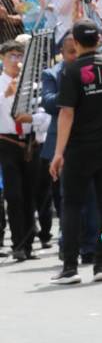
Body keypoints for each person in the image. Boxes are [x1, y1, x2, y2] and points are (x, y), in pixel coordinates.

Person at [49, 18, 102, 284]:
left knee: (71, 205)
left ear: (77, 42)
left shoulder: (71, 70)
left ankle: (70, 267)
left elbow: (66, 113)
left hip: (81, 149)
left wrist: (58, 153)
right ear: (98, 39)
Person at [0, 40, 39, 260]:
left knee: (29, 193)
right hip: (7, 141)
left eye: (19, 56)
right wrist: (6, 95)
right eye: (12, 56)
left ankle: (28, 244)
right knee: (14, 195)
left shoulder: (31, 85)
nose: (16, 61)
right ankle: (18, 244)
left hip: (30, 141)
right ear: (3, 59)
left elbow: (40, 112)